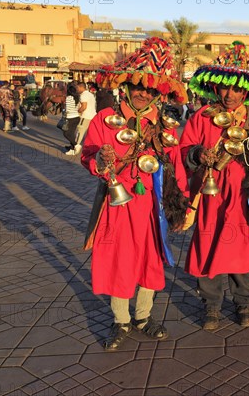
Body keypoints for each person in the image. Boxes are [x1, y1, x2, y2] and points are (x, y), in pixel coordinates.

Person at [80, 37, 189, 351]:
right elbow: (87, 155)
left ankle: (143, 316)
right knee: (117, 259)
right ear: (126, 87)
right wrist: (98, 161)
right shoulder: (104, 120)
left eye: (150, 89)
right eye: (137, 87)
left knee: (149, 259)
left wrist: (182, 202)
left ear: (158, 92)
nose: (143, 93)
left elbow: (177, 166)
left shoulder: (165, 128)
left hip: (152, 208)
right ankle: (120, 320)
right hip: (116, 205)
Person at [179, 41, 249, 330]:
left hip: (243, 196)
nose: (229, 94)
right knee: (208, 244)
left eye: (236, 89)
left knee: (242, 248)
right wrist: (198, 154)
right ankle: (212, 306)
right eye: (224, 88)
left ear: (246, 90)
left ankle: (244, 303)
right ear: (216, 87)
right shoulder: (202, 117)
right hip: (211, 195)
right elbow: (184, 150)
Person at [74, 81, 97, 154]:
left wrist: (78, 111)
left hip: (86, 116)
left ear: (81, 87)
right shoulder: (90, 94)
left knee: (79, 131)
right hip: (93, 116)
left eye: (77, 88)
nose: (76, 89)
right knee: (90, 133)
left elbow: (84, 107)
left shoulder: (83, 95)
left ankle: (77, 147)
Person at [64, 82, 81, 155]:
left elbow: (67, 109)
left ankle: (76, 145)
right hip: (76, 117)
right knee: (71, 133)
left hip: (70, 117)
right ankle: (72, 149)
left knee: (66, 133)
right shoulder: (77, 98)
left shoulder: (68, 98)